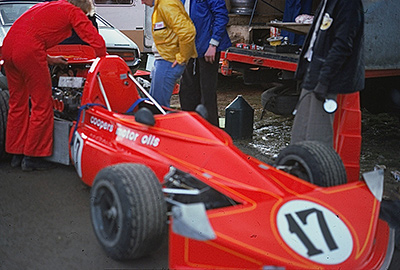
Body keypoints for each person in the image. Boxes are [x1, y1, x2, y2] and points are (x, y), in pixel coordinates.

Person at [2, 0, 106, 171]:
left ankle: (16, 152)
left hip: (8, 48)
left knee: (17, 104)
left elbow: (30, 35)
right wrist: (103, 57)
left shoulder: (46, 6)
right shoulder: (73, 11)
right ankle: (33, 157)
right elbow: (93, 37)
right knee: (42, 104)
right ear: (82, 8)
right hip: (28, 51)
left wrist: (50, 59)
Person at [291, 0, 364, 147]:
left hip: (325, 77)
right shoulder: (328, 2)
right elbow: (316, 37)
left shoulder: (348, 4)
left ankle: (317, 169)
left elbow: (342, 45)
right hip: (313, 72)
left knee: (316, 139)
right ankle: (295, 166)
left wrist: (324, 79)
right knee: (299, 135)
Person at [179, 0, 231, 126]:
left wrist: (213, 44)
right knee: (186, 91)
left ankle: (210, 129)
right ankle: (190, 127)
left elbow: (221, 15)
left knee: (207, 93)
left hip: (207, 48)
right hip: (189, 48)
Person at [141, 0, 197, 107]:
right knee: (155, 104)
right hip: (164, 60)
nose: (142, 2)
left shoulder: (166, 5)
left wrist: (182, 57)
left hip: (168, 61)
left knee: (158, 106)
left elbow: (187, 32)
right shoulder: (162, 5)